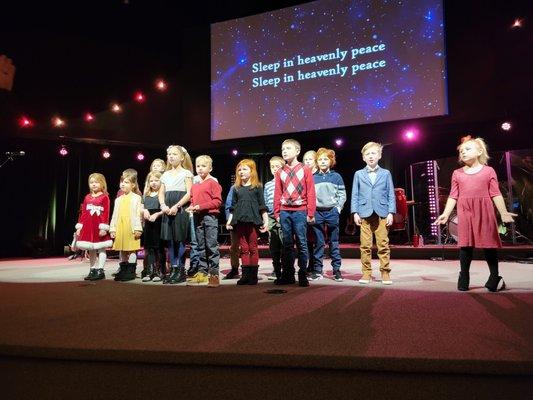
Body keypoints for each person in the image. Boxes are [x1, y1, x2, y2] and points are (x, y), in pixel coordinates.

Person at [434, 136, 516, 291]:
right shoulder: (457, 173)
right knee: (465, 245)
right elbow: (453, 195)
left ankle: (494, 276)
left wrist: (503, 212)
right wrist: (445, 213)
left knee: (489, 245)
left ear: (479, 151)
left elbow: (495, 193)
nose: (463, 152)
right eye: (461, 151)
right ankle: (464, 275)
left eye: (468, 149)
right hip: (465, 212)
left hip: (484, 210)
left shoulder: (488, 171)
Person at [351, 142, 396, 285]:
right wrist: (355, 212)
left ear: (379, 155)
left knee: (383, 244)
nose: (371, 156)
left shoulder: (386, 173)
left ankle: (385, 272)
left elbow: (391, 194)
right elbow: (355, 194)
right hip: (364, 213)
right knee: (365, 246)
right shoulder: (358, 174)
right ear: (363, 157)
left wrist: (391, 212)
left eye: (373, 153)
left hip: (382, 212)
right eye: (367, 154)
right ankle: (366, 273)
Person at [273, 139, 316, 287]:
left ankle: (302, 274)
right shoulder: (280, 171)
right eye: (283, 148)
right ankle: (288, 274)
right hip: (285, 211)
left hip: (300, 211)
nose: (284, 151)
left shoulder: (305, 169)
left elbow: (311, 191)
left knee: (302, 243)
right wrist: (277, 213)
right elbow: (277, 193)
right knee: (287, 244)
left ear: (297, 151)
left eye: (288, 148)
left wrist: (310, 212)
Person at [226, 159, 268, 285]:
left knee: (253, 248)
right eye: (239, 169)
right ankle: (245, 275)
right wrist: (229, 221)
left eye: (244, 169)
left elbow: (262, 206)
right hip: (239, 221)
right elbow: (232, 207)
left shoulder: (257, 187)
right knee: (244, 248)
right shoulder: (236, 188)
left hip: (253, 221)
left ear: (252, 171)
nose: (241, 172)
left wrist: (266, 221)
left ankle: (253, 276)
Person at [310, 148, 346, 282]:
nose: (323, 161)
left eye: (325, 159)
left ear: (331, 161)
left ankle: (336, 270)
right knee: (319, 243)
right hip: (317, 213)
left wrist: (338, 208)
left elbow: (342, 194)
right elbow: (310, 196)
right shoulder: (313, 178)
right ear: (317, 162)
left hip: (332, 212)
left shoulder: (336, 176)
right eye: (320, 159)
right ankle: (317, 270)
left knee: (334, 242)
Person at [186, 155, 223, 287]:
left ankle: (214, 275)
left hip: (210, 218)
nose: (200, 169)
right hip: (197, 217)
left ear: (210, 168)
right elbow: (192, 200)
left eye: (203, 166)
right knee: (200, 246)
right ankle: (202, 273)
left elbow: (217, 201)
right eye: (198, 166)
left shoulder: (213, 183)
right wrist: (192, 207)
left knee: (211, 246)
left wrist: (201, 207)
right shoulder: (195, 186)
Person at [159, 145, 194, 284]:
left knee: (179, 239)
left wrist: (177, 205)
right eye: (169, 154)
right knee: (170, 240)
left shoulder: (186, 173)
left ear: (181, 157)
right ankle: (173, 269)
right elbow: (161, 192)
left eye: (174, 154)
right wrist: (163, 205)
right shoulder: (165, 174)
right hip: (167, 207)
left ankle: (180, 269)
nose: (171, 156)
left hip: (179, 207)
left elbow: (189, 193)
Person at [75, 173, 113, 281]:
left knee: (101, 248)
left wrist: (103, 228)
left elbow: (106, 213)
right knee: (91, 248)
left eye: (96, 182)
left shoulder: (105, 197)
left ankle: (100, 270)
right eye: (91, 183)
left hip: (99, 227)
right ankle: (92, 270)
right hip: (88, 226)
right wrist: (80, 226)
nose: (94, 184)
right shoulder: (87, 197)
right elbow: (83, 214)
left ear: (102, 183)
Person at [110, 170, 143, 281]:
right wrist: (113, 228)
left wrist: (138, 228)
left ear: (133, 185)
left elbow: (138, 214)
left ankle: (131, 270)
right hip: (120, 226)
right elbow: (115, 215)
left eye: (126, 182)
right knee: (122, 249)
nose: (123, 184)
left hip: (131, 227)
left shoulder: (136, 198)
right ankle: (123, 269)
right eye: (122, 182)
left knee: (132, 249)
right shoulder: (118, 199)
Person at [141, 171, 165, 282]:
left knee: (158, 247)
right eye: (151, 181)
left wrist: (157, 214)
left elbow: (164, 209)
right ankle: (150, 271)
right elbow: (141, 207)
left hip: (159, 222)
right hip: (148, 223)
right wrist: (144, 211)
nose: (154, 183)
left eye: (156, 180)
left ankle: (159, 271)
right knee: (149, 248)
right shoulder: (146, 194)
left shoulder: (163, 194)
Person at [263, 156, 285, 281]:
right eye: (272, 167)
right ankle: (276, 269)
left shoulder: (285, 182)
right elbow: (266, 202)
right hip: (271, 217)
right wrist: (265, 218)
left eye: (277, 166)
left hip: (282, 215)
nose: (275, 169)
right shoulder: (268, 185)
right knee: (273, 244)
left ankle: (286, 267)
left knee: (284, 243)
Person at [303, 150, 318, 275]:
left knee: (317, 239)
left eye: (310, 159)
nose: (307, 161)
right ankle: (309, 263)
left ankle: (316, 265)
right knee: (307, 240)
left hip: (318, 211)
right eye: (305, 159)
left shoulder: (319, 175)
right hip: (304, 210)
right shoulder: (302, 174)